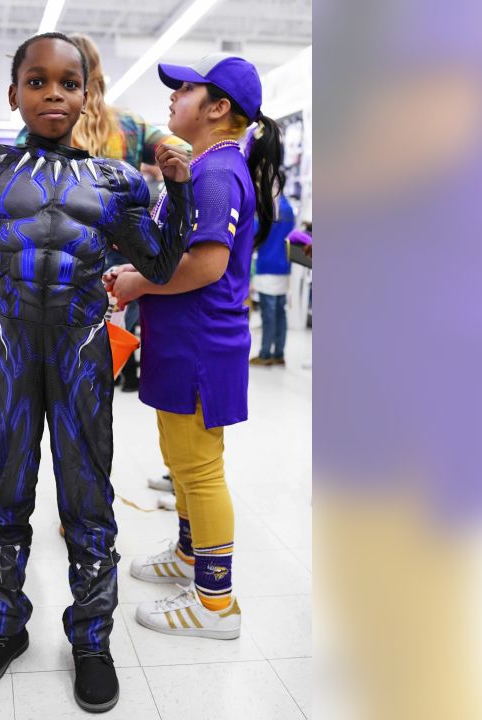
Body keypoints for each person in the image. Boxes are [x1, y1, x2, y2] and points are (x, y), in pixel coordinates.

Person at [0, 32, 193, 712]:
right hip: (7, 353)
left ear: (88, 93)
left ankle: (91, 639)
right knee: (4, 492)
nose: (54, 93)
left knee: (87, 499)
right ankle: (3, 627)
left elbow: (155, 264)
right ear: (15, 94)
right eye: (38, 81)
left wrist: (175, 196)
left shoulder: (117, 182)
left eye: (69, 82)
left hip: (82, 354)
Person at [107, 53, 284, 640]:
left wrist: (139, 281)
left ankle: (215, 602)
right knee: (181, 460)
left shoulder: (215, 173)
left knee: (200, 468)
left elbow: (205, 265)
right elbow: (178, 252)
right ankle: (189, 555)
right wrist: (141, 267)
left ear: (218, 108)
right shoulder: (204, 166)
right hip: (181, 339)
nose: (172, 98)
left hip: (200, 343)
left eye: (184, 90)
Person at [17, 33, 189, 393]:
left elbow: (17, 203)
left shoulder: (44, 123)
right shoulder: (131, 126)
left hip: (52, 271)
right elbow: (185, 152)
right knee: (91, 386)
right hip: (117, 269)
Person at [251, 194, 295, 366]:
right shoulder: (289, 208)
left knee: (268, 314)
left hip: (267, 265)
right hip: (284, 266)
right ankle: (279, 353)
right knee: (280, 313)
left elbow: (254, 231)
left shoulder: (267, 208)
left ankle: (264, 354)